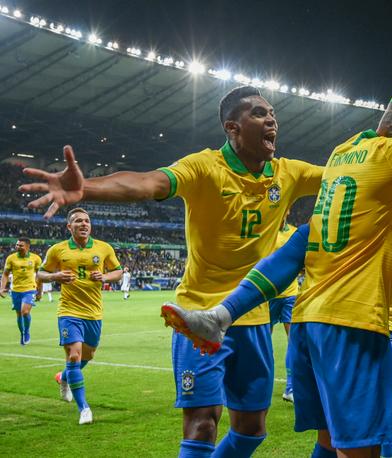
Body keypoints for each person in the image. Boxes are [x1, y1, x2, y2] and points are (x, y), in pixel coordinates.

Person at [163, 110, 392, 457]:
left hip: (309, 321)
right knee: (364, 448)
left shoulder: (344, 151)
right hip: (354, 322)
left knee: (329, 442)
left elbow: (312, 245)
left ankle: (221, 315)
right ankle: (219, 317)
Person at [21, 86, 323, 458]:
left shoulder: (289, 173)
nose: (271, 120)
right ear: (232, 127)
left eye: (272, 113)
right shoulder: (205, 167)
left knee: (252, 430)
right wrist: (87, 189)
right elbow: (148, 182)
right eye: (259, 114)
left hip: (253, 318)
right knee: (202, 423)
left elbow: (346, 177)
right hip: (197, 317)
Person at [38, 208, 123, 424]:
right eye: (78, 221)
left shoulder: (103, 248)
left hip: (93, 312)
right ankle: (84, 408)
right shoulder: (58, 249)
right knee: (74, 356)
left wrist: (104, 277)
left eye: (86, 221)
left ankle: (63, 377)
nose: (84, 224)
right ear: (69, 226)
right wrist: (56, 276)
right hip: (69, 311)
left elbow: (118, 272)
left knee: (87, 355)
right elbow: (40, 273)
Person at [269, 215, 299, 403]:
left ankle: (290, 388)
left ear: (287, 211)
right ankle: (261, 385)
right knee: (263, 343)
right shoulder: (266, 232)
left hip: (290, 294)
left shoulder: (294, 233)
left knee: (294, 340)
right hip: (267, 295)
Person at [1, 237, 43, 345]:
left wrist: (40, 291)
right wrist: (1, 288)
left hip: (30, 289)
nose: (17, 247)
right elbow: (5, 274)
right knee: (19, 314)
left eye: (20, 245)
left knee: (25, 312)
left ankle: (27, 331)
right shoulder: (11, 258)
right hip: (15, 290)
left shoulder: (35, 258)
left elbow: (40, 276)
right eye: (17, 245)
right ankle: (22, 333)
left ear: (27, 246)